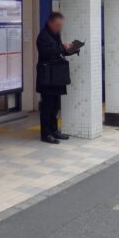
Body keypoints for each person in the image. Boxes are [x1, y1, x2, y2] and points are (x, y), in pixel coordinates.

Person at [36, 12, 80, 144]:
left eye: (61, 25)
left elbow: (59, 52)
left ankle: (54, 130)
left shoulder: (55, 35)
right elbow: (47, 53)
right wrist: (62, 47)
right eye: (57, 25)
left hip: (56, 76)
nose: (59, 28)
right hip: (47, 77)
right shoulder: (43, 36)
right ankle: (46, 134)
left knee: (55, 106)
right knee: (47, 106)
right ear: (50, 23)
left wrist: (72, 49)